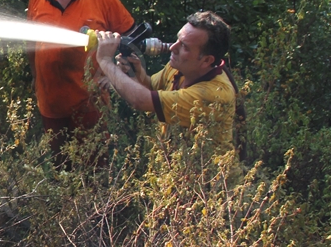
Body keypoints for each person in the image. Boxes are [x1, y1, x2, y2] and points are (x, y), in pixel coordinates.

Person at [27, 0, 134, 158]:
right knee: (59, 173)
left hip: (91, 106)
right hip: (51, 105)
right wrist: (35, 77)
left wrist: (116, 72)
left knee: (94, 174)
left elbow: (131, 37)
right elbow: (31, 41)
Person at [93, 11, 237, 152]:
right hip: (178, 169)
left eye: (184, 47)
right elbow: (151, 87)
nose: (173, 48)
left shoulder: (213, 94)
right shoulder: (180, 67)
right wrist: (135, 74)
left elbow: (142, 101)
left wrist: (105, 62)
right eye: (177, 40)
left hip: (208, 174)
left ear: (207, 60)